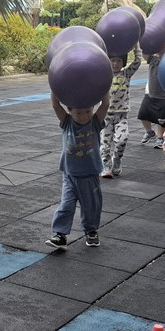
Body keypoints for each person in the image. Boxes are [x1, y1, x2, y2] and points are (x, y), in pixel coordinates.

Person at [45, 90, 111, 249]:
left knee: (91, 206)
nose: (84, 116)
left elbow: (105, 104)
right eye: (79, 113)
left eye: (88, 111)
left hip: (90, 175)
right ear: (70, 111)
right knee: (66, 205)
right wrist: (54, 88)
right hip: (69, 175)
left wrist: (104, 88)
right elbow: (55, 105)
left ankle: (91, 231)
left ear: (93, 109)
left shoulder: (94, 122)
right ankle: (60, 235)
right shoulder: (67, 122)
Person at [101, 45, 142, 178]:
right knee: (105, 144)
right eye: (112, 60)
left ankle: (117, 159)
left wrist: (136, 45)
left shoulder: (126, 74)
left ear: (123, 62)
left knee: (122, 139)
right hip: (105, 115)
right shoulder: (104, 75)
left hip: (121, 115)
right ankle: (106, 166)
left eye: (118, 60)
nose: (115, 64)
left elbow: (137, 62)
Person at [137, 29, 165, 148]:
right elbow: (143, 51)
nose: (160, 48)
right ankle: (149, 132)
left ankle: (160, 137)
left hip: (164, 96)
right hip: (150, 94)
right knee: (142, 115)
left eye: (163, 46)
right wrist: (139, 38)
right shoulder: (152, 59)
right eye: (159, 46)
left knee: (161, 120)